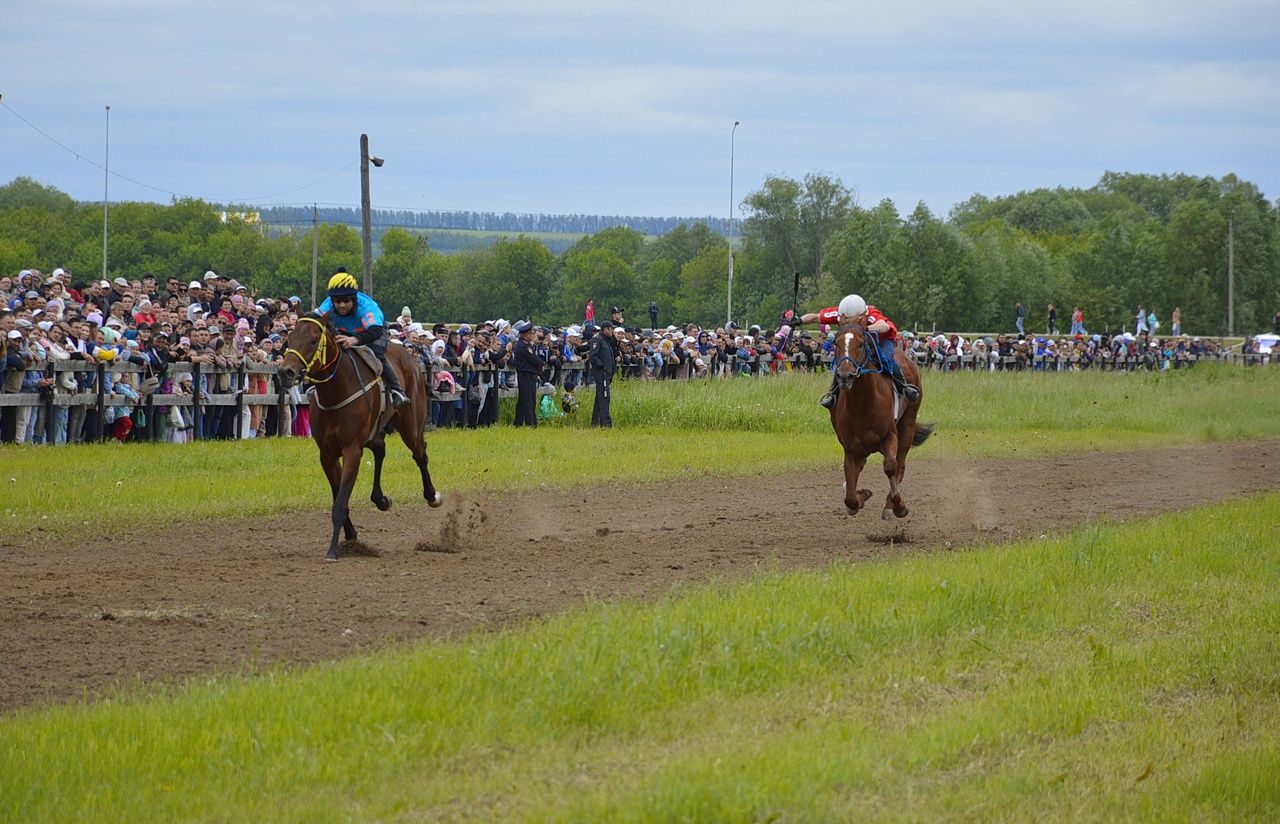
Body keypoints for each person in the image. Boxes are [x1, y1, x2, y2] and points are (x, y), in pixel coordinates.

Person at [791, 294, 920, 406]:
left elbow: (884, 326)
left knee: (885, 358)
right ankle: (832, 394)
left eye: (852, 322)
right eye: (845, 322)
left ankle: (903, 387)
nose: (848, 325)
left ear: (861, 316)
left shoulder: (871, 315)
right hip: (856, 342)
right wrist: (799, 320)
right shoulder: (840, 314)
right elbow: (815, 317)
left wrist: (866, 330)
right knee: (842, 363)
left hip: (882, 339)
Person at [315, 268, 408, 407]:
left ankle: (396, 390)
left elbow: (375, 331)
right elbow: (315, 321)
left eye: (346, 301)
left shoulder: (366, 307)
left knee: (376, 353)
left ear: (354, 298)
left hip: (372, 332)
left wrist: (355, 340)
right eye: (337, 301)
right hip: (345, 332)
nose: (341, 305)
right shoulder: (327, 304)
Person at [511, 320, 544, 427]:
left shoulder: (525, 344)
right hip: (526, 375)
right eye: (531, 333)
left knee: (523, 400)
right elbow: (533, 358)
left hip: (528, 375)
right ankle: (531, 423)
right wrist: (541, 363)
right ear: (526, 334)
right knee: (529, 400)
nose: (532, 335)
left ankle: (518, 422)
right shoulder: (524, 345)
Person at [588, 319, 618, 427]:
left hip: (607, 374)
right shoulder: (598, 340)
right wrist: (603, 366)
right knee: (605, 398)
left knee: (600, 398)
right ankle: (606, 424)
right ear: (606, 329)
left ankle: (595, 422)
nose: (612, 332)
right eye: (611, 329)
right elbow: (593, 356)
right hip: (602, 374)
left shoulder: (607, 340)